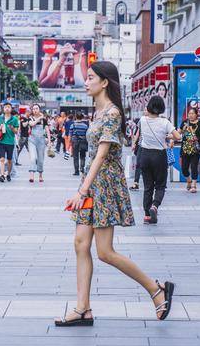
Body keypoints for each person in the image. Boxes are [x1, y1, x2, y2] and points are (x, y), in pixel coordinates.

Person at [56, 61, 174, 327]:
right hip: (90, 183)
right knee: (80, 244)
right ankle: (82, 308)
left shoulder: (111, 113)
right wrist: (82, 187)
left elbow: (101, 153)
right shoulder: (97, 113)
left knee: (105, 252)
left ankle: (156, 289)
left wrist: (83, 189)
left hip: (104, 186)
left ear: (104, 82)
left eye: (90, 78)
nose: (85, 82)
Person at [138, 96, 181, 224]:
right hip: (159, 156)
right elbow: (177, 137)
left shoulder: (142, 120)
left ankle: (147, 215)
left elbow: (142, 133)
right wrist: (168, 136)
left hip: (145, 155)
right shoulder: (165, 122)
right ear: (161, 108)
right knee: (160, 185)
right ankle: (154, 206)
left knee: (148, 187)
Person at [178, 108, 200, 193]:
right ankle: (188, 180)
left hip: (196, 149)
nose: (190, 115)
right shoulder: (184, 123)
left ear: (196, 114)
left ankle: (194, 185)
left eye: (192, 113)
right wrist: (182, 130)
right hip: (185, 149)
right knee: (184, 169)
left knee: (194, 167)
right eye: (189, 114)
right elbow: (178, 133)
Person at [0, 103, 19, 182]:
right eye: (5, 107)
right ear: (3, 109)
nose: (7, 109)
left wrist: (12, 128)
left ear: (11, 109)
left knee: (9, 160)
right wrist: (0, 128)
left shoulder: (14, 119)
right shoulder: (0, 118)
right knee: (1, 159)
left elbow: (16, 132)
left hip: (10, 142)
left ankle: (8, 174)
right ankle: (2, 175)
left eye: (9, 107)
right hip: (1, 142)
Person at [27, 104, 50, 183]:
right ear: (32, 110)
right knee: (33, 158)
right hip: (32, 141)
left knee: (40, 159)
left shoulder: (44, 120)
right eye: (33, 109)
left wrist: (49, 142)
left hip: (41, 141)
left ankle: (40, 175)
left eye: (37, 108)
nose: (35, 110)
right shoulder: (30, 118)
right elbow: (32, 124)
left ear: (39, 109)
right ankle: (31, 175)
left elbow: (47, 131)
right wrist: (39, 118)